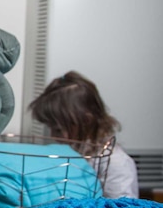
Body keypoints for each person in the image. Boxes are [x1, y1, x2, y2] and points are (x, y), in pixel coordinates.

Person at [28, 71, 139, 199]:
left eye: (58, 130)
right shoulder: (70, 152)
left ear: (86, 121)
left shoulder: (114, 163)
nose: (53, 136)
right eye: (50, 128)